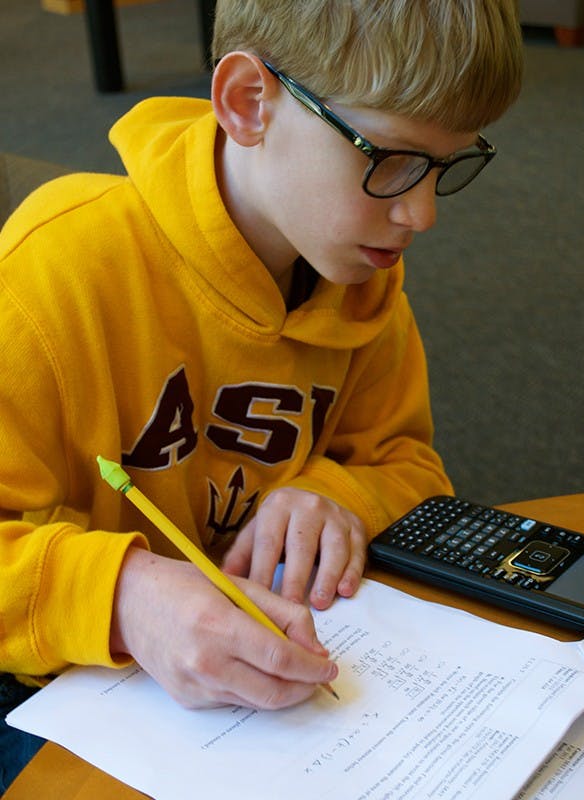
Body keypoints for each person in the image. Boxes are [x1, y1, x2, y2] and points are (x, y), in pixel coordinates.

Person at [0, 0, 523, 790]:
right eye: (392, 159)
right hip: (54, 682)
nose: (420, 214)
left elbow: (409, 466)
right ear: (249, 102)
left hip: (256, 700)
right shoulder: (56, 271)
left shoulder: (359, 275)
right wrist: (124, 596)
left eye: (446, 168)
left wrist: (335, 493)